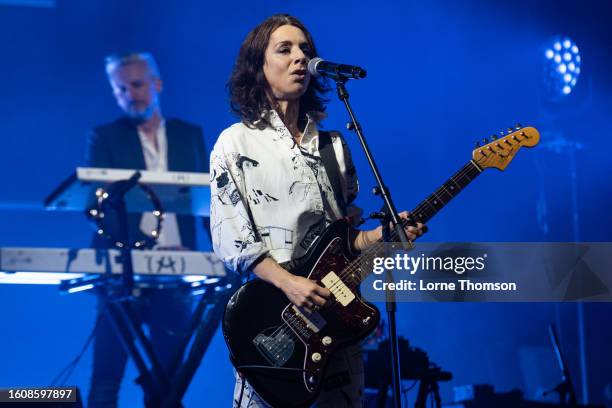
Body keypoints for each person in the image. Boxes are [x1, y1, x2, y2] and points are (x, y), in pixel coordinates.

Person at [209, 14, 426, 407]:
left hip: (334, 322)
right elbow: (233, 239)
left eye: (305, 50)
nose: (299, 58)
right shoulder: (235, 143)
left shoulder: (334, 147)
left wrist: (385, 235)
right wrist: (288, 283)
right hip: (275, 318)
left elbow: (346, 237)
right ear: (259, 66)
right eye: (285, 49)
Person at [85, 52, 209, 408]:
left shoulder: (190, 135)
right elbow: (99, 205)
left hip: (177, 273)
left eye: (136, 84)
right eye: (120, 88)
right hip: (121, 272)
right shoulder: (104, 136)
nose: (129, 94)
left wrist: (223, 252)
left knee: (168, 386)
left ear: (157, 84)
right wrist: (142, 248)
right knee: (105, 380)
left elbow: (205, 201)